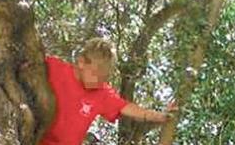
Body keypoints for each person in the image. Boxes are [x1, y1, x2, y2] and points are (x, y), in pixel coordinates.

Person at [40, 37, 176, 145]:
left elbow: (128, 108)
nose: (99, 82)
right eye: (96, 75)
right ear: (81, 62)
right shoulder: (54, 67)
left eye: (104, 78)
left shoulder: (102, 93)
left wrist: (160, 116)